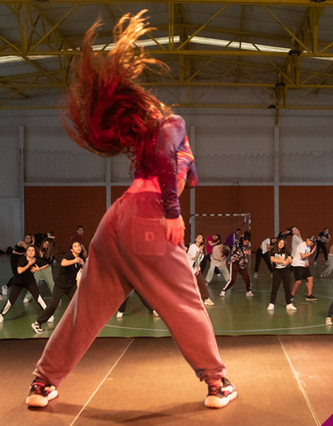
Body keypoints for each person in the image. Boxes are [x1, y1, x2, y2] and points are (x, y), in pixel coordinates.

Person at [27, 12, 235, 410]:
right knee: (184, 302)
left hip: (116, 219)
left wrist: (187, 170)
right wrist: (172, 212)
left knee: (85, 309)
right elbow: (169, 159)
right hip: (149, 217)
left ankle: (42, 383)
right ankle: (216, 382)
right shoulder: (173, 124)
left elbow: (183, 172)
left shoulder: (153, 141)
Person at [31, 242, 85, 334]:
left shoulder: (81, 258)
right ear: (72, 249)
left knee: (79, 303)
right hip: (60, 286)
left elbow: (82, 270)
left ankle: (79, 325)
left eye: (79, 246)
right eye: (75, 246)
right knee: (53, 306)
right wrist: (75, 260)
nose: (78, 247)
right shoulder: (69, 255)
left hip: (71, 286)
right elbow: (63, 263)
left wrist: (82, 264)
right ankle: (37, 323)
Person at [0, 245, 48, 324]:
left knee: (38, 298)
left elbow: (47, 264)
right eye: (29, 250)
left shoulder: (35, 260)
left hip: (30, 281)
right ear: (26, 252)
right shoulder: (22, 259)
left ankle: (47, 315)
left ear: (35, 253)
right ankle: (1, 315)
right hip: (18, 282)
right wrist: (29, 265)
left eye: (32, 250)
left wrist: (38, 269)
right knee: (11, 301)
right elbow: (19, 271)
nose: (31, 252)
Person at [23, 238, 57, 303]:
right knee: (33, 283)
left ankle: (56, 297)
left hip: (46, 270)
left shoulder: (51, 254)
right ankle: (28, 297)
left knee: (51, 283)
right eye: (45, 243)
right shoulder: (39, 250)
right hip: (37, 269)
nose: (45, 245)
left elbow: (47, 264)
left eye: (47, 244)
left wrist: (39, 268)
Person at [267, 238, 296, 311]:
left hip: (285, 271)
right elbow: (272, 259)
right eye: (280, 243)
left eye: (282, 243)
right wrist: (281, 261)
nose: (281, 244)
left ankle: (289, 303)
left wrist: (287, 261)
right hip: (277, 271)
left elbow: (290, 259)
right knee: (275, 287)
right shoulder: (273, 250)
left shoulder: (286, 251)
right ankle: (272, 303)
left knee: (287, 287)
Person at [220, 232, 253, 297]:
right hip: (235, 263)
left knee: (247, 278)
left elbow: (243, 252)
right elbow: (236, 250)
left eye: (247, 242)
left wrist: (245, 253)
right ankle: (223, 291)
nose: (246, 243)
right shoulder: (237, 243)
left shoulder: (244, 246)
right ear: (243, 239)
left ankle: (248, 291)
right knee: (232, 280)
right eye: (245, 242)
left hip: (242, 263)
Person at [187, 234, 214, 306]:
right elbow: (193, 258)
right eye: (198, 237)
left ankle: (206, 298)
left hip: (196, 269)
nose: (199, 238)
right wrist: (199, 251)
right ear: (195, 239)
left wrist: (197, 269)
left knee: (201, 283)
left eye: (201, 238)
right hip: (189, 269)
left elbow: (199, 260)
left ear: (202, 241)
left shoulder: (201, 250)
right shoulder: (192, 247)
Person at [291, 236, 317, 301]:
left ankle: (309, 295)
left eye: (312, 242)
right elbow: (302, 256)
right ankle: (291, 294)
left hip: (303, 264)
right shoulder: (302, 245)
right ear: (307, 239)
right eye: (310, 241)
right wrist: (311, 253)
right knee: (298, 281)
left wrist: (307, 261)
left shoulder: (308, 247)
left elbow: (306, 256)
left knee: (310, 278)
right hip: (297, 264)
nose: (311, 243)